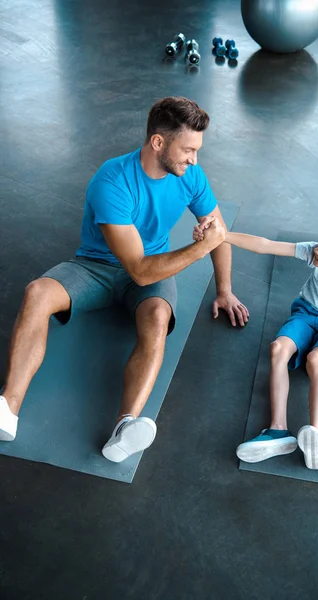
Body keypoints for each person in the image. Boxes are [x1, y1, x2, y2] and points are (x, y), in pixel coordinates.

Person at [0, 96, 249, 462]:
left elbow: (218, 232)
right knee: (37, 293)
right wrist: (198, 249)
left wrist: (225, 290)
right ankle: (7, 407)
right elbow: (138, 268)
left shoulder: (190, 175)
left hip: (151, 272)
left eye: (197, 150)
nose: (194, 159)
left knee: (158, 319)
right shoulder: (112, 180)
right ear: (158, 143)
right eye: (188, 150)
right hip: (97, 267)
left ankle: (125, 425)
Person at [193, 215, 318, 470]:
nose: (317, 251)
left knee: (316, 359)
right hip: (307, 312)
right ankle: (278, 431)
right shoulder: (316, 253)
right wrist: (222, 235)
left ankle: (315, 436)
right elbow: (265, 245)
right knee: (277, 348)